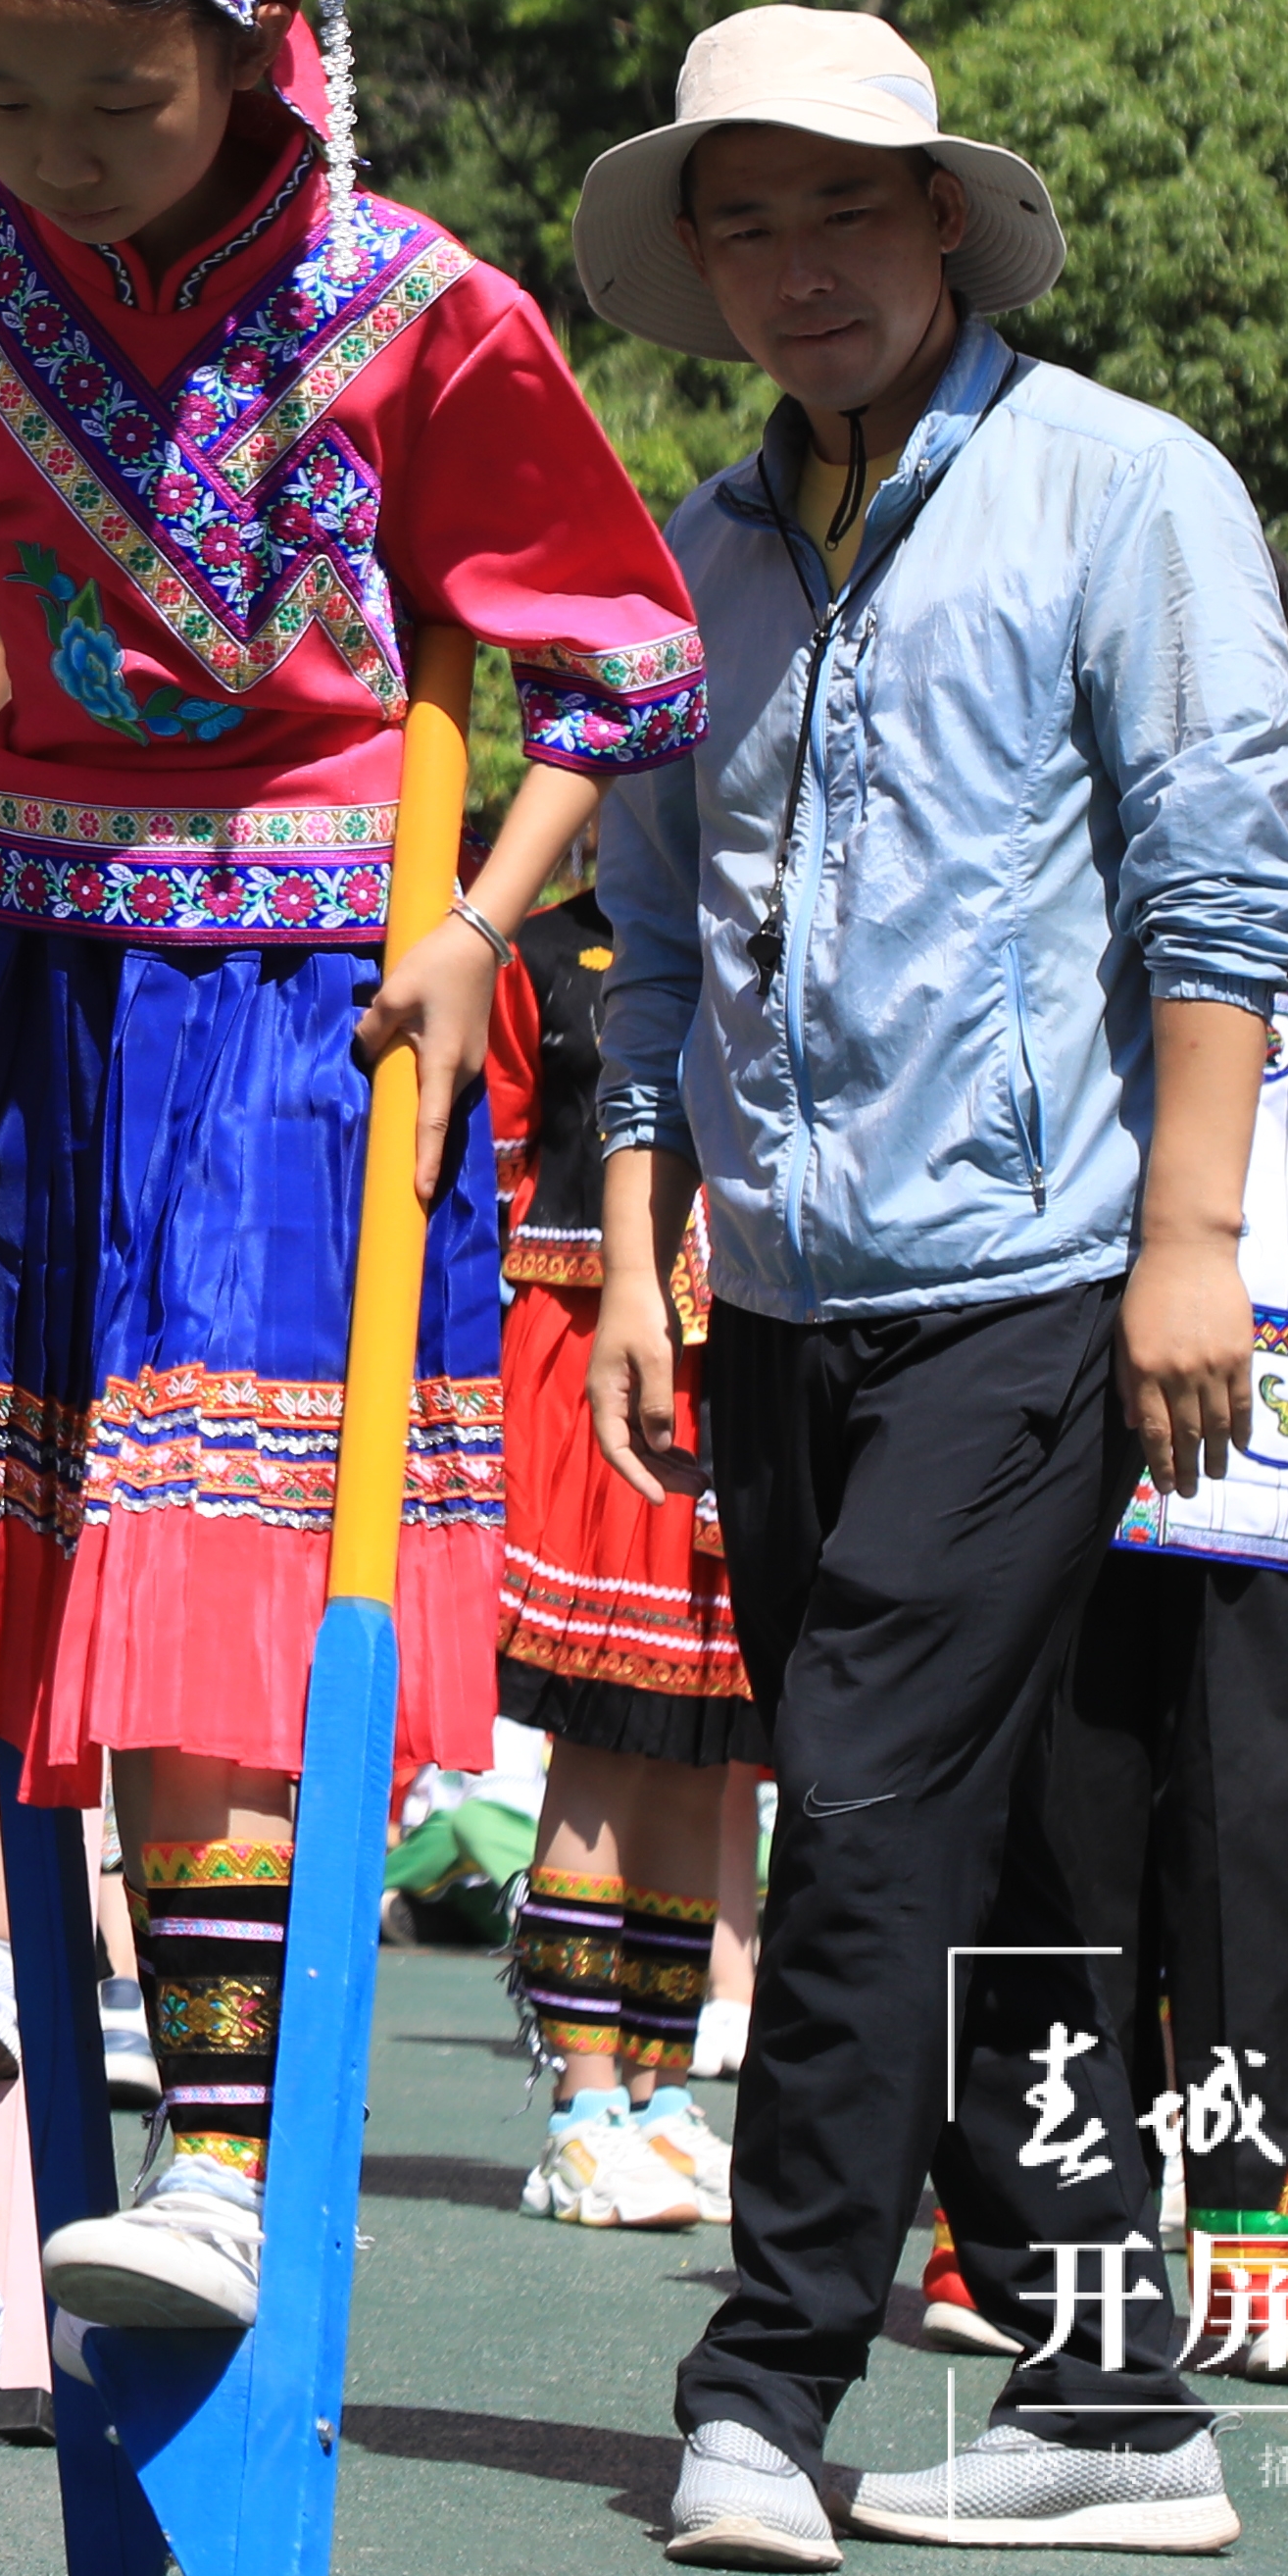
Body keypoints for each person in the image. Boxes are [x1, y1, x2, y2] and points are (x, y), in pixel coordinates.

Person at [0, 0, 703, 2343]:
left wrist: (491, 919)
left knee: (225, 1572)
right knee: (26, 1534)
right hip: (41, 986)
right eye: (7, 86)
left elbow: (614, 658)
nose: (60, 142)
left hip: (316, 1004)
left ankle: (230, 2160)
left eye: (121, 94)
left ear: (263, 30)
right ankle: (14, 2058)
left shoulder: (417, 304)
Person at [567, 1, 1288, 2563]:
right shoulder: (692, 559)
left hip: (1035, 1283)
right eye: (739, 221)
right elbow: (649, 943)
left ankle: (763, 2385)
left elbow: (1228, 887)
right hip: (770, 1297)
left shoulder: (1129, 491)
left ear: (951, 227)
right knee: (969, 1862)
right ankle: (1117, 2405)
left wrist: (1189, 1243)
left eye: (839, 209)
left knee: (861, 1821)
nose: (792, 265)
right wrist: (644, 1255)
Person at [1001, 732, 1288, 2372]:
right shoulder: (1050, 863)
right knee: (1060, 1853)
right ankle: (1036, 2247)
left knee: (1281, 1863)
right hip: (1070, 1452)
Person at [484, 865, 766, 2240]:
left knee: (694, 1742)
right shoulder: (538, 953)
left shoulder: (772, 936)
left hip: (735, 1368)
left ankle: (659, 2094)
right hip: (581, 1357)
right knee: (599, 1737)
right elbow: (474, 1178)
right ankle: (582, 2102)